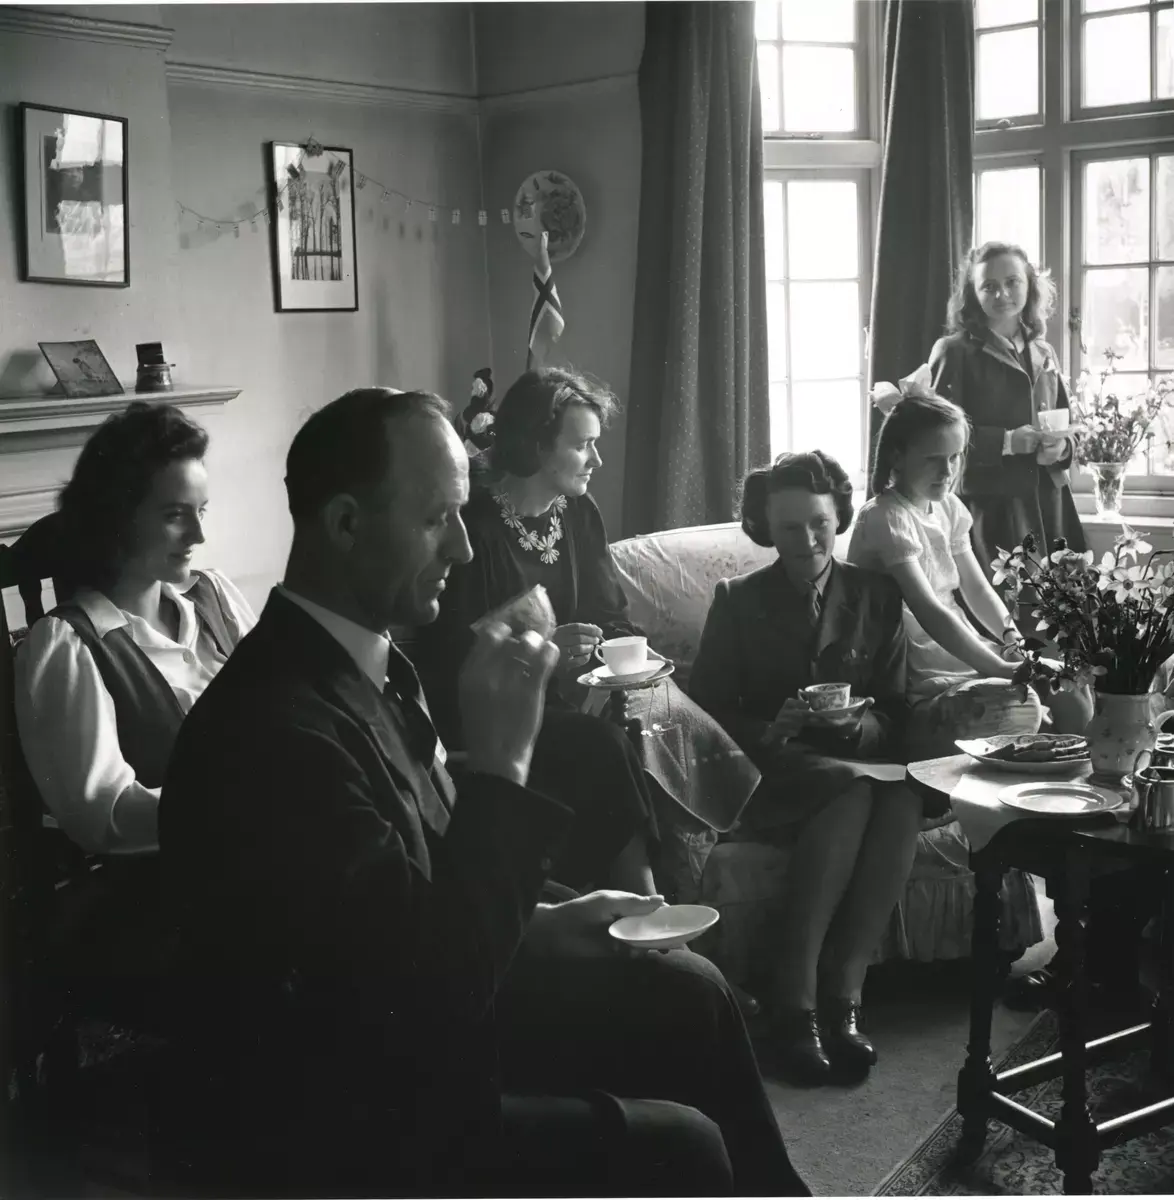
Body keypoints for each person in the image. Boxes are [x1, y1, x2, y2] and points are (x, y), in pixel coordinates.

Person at [159, 387, 808, 1197]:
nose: (465, 550)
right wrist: (502, 760)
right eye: (437, 520)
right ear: (346, 524)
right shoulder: (272, 731)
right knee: (684, 1147)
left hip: (424, 1014)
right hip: (352, 1107)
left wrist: (549, 919)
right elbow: (427, 990)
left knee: (694, 994)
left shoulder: (369, 664)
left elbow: (412, 889)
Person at [413, 367, 760, 902]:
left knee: (658, 705)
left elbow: (613, 615)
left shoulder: (578, 511)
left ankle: (683, 869)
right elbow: (451, 654)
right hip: (498, 711)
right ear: (535, 446)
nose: (597, 461)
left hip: (583, 692)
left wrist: (606, 651)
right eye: (583, 447)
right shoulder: (475, 526)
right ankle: (645, 899)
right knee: (603, 743)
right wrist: (551, 654)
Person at [689, 450, 922, 1085]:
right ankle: (796, 1007)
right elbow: (704, 710)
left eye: (819, 522)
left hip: (856, 763)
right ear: (767, 528)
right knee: (851, 792)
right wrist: (771, 728)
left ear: (837, 517)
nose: (808, 540)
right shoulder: (737, 600)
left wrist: (860, 725)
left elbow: (897, 711)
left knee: (903, 796)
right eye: (790, 527)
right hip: (773, 770)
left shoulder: (877, 595)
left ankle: (844, 998)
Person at [15, 402, 255, 859]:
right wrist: (247, 806)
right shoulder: (68, 647)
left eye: (202, 510)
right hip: (172, 883)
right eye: (174, 515)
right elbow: (103, 813)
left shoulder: (217, 597)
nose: (199, 535)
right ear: (118, 517)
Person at [847, 391, 1092, 758]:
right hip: (917, 669)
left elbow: (977, 589)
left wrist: (1013, 641)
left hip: (964, 652)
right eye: (933, 459)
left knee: (1070, 685)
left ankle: (1064, 781)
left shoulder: (947, 506)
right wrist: (996, 666)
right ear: (897, 455)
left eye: (955, 457)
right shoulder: (886, 516)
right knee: (1020, 706)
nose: (947, 471)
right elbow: (929, 610)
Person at [929, 241, 1086, 580]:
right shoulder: (953, 352)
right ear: (973, 293)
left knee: (1062, 618)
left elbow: (1071, 428)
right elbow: (933, 440)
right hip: (992, 509)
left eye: (1012, 282)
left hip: (1052, 507)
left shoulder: (1044, 351)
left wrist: (1061, 449)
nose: (1002, 294)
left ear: (1029, 284)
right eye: (989, 286)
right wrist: (1007, 441)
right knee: (1007, 620)